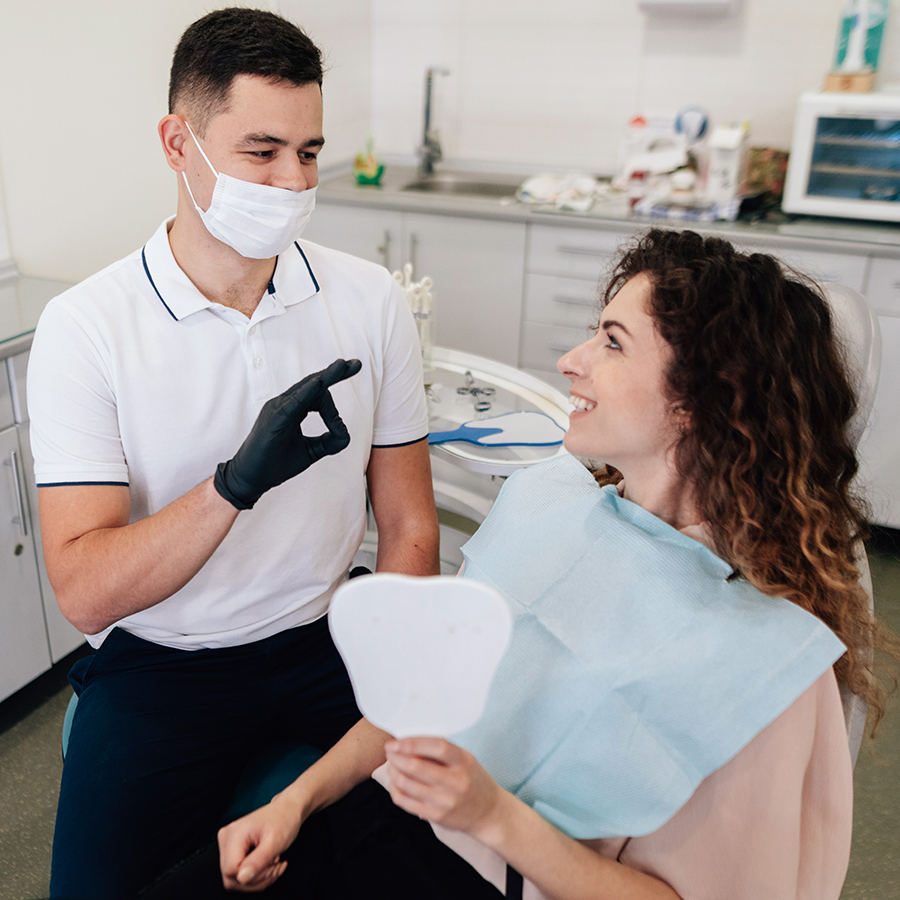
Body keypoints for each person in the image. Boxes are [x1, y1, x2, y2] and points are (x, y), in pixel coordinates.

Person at [197, 228, 895, 900]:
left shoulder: (763, 664)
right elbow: (417, 702)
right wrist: (295, 804)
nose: (571, 359)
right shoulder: (550, 506)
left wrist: (491, 814)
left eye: (613, 343)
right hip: (374, 821)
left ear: (700, 400)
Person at [26, 8, 439, 899]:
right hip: (164, 664)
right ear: (179, 142)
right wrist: (233, 485)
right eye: (262, 152)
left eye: (310, 151)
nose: (293, 181)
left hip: (326, 641)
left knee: (439, 862)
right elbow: (85, 588)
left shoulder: (367, 300)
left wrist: (395, 670)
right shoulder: (89, 329)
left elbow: (409, 524)